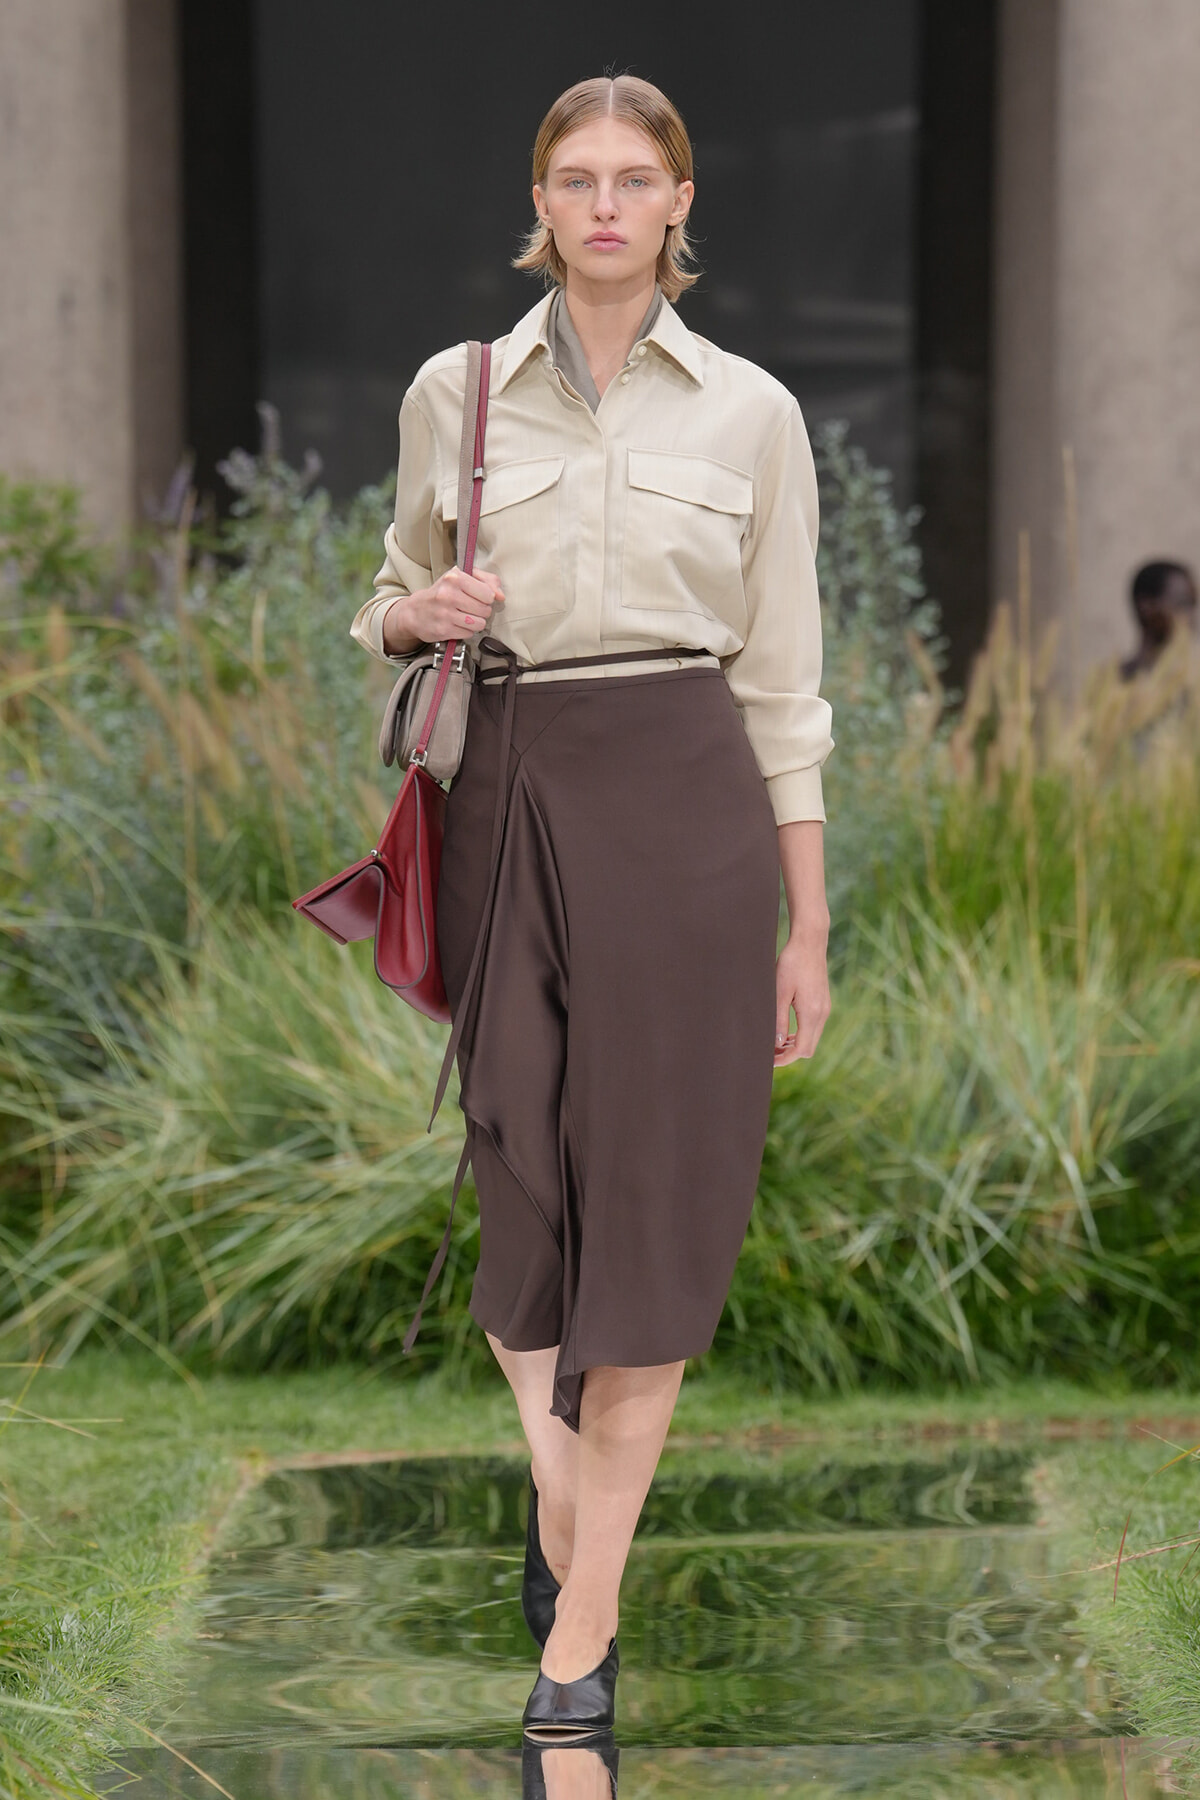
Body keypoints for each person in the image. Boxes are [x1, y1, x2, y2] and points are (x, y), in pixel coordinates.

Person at [349, 74, 834, 1741]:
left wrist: (809, 925)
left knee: (657, 1194)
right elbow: (387, 600)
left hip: (690, 796)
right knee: (519, 1167)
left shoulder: (754, 414)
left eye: (638, 177)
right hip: (512, 788)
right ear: (541, 203)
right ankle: (565, 1502)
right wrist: (425, 613)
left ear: (683, 200)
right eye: (578, 178)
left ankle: (583, 1632)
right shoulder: (459, 389)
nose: (608, 203)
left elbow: (788, 685)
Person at [1118, 560, 1198, 680]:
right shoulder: (1107, 682)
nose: (1191, 617)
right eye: (1182, 604)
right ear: (1147, 606)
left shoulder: (1191, 681)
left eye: (1192, 606)